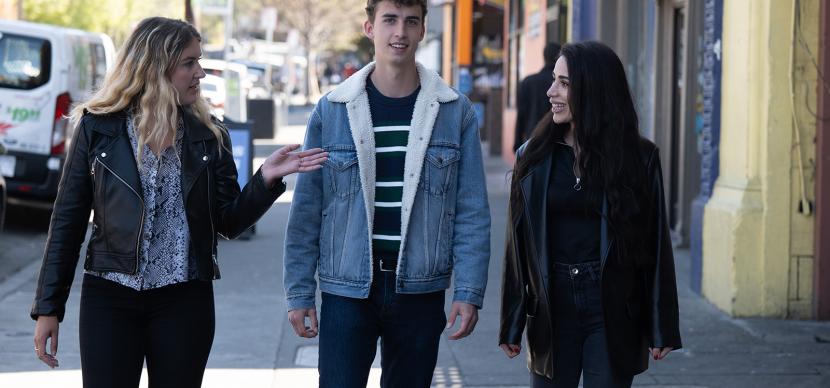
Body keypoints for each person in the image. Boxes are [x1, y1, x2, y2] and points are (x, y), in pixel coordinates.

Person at [30, 17, 327, 388]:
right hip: (110, 297)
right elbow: (67, 222)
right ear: (156, 66)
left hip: (184, 301)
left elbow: (228, 223)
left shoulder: (209, 136)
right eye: (189, 62)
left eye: (198, 61)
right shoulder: (98, 128)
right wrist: (48, 308)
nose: (200, 72)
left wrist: (265, 180)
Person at [283, 1, 491, 387]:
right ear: (369, 28)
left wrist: (468, 291)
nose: (400, 33)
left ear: (422, 30)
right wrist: (299, 293)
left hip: (419, 287)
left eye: (411, 22)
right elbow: (307, 208)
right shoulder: (332, 111)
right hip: (347, 288)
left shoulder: (454, 112)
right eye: (390, 21)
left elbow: (472, 209)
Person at [499, 41, 682, 388]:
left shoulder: (639, 159)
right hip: (552, 305)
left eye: (564, 83)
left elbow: (657, 245)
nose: (551, 91)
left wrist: (662, 326)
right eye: (554, 80)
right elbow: (517, 247)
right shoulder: (532, 157)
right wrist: (512, 320)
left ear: (594, 89)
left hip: (612, 304)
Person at [514, 42, 561, 153]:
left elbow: (521, 114)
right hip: (556, 141)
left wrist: (517, 142)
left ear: (544, 57)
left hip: (532, 138)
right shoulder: (563, 83)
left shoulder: (527, 82)